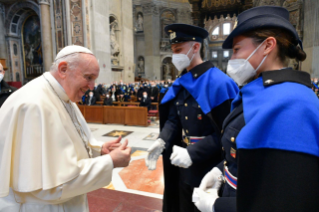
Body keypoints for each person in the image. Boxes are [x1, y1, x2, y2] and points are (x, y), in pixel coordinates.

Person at [193, 6, 319, 212]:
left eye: (236, 49)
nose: (231, 59)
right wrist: (220, 172)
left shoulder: (295, 104)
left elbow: (285, 202)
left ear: (268, 45)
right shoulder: (260, 90)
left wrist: (217, 206)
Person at [0, 45, 132, 211]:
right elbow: (53, 186)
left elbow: (69, 146)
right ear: (63, 69)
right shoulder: (34, 105)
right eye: (88, 77)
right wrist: (110, 162)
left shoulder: (63, 96)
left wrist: (99, 150)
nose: (92, 86)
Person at [145, 23, 239, 212]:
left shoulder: (221, 83)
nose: (174, 56)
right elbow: (173, 119)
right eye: (173, 50)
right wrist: (162, 140)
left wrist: (193, 153)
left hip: (210, 168)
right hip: (183, 166)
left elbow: (227, 134)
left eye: (179, 49)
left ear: (196, 47)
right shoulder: (181, 82)